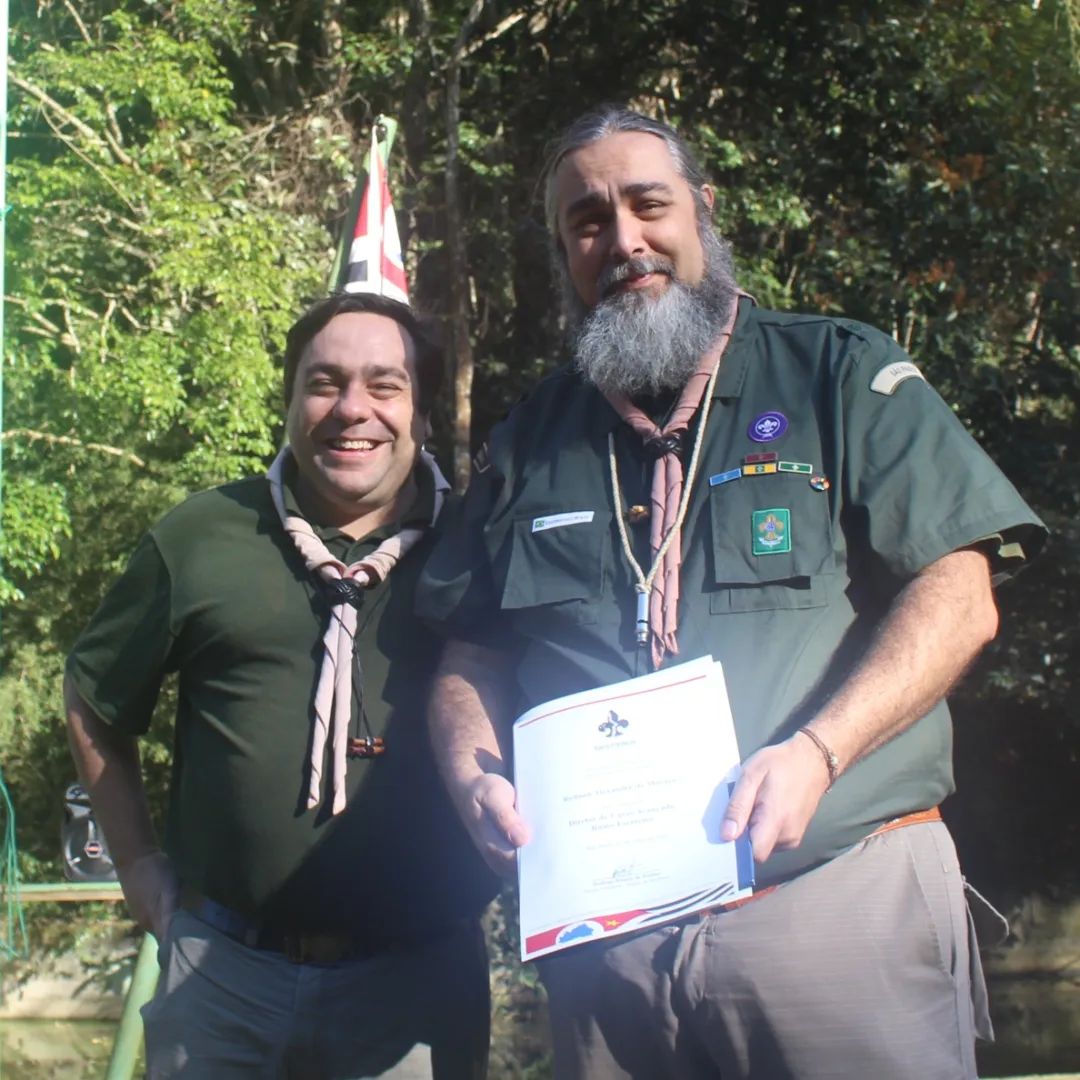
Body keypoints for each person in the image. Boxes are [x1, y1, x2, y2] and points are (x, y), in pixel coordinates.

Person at [417, 105, 1047, 1080]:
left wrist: (819, 752)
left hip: (834, 903)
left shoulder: (837, 371)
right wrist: (472, 778)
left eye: (648, 204)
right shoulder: (527, 441)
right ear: (564, 253)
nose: (623, 240)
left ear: (702, 211)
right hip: (610, 953)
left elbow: (961, 593)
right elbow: (469, 657)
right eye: (588, 221)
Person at [65, 292, 497, 1079]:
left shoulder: (482, 547)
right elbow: (95, 695)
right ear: (291, 403)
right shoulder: (202, 536)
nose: (352, 409)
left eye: (385, 385)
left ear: (425, 414)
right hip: (222, 979)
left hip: (420, 987)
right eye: (324, 383)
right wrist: (136, 865)